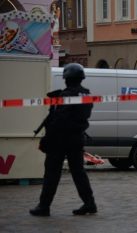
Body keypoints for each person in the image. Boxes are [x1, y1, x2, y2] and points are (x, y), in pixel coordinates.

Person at [30, 63, 97, 217]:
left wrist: (47, 139)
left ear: (66, 79)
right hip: (77, 138)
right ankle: (89, 203)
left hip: (60, 140)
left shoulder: (65, 96)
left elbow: (58, 120)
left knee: (52, 173)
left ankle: (44, 206)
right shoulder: (86, 95)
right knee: (79, 173)